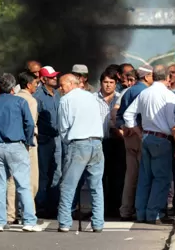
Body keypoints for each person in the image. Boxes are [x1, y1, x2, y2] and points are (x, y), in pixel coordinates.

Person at [0, 73, 43, 232]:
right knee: (23, 184)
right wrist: (28, 141)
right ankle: (29, 220)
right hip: (17, 145)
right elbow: (29, 123)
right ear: (13, 87)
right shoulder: (20, 102)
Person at [122, 65, 175, 223]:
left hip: (146, 137)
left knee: (145, 177)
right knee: (161, 178)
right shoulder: (168, 95)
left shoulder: (144, 93)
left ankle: (141, 213)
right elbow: (173, 123)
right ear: (167, 78)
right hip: (161, 139)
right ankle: (154, 213)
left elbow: (128, 114)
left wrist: (139, 132)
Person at [56, 72, 106, 232]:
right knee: (96, 186)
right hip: (97, 142)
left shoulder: (66, 100)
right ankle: (98, 223)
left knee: (68, 185)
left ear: (71, 84)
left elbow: (63, 127)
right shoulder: (92, 97)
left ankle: (64, 222)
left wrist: (67, 142)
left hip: (78, 143)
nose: (60, 88)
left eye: (62, 85)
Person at [117, 65, 152, 220]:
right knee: (144, 175)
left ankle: (125, 210)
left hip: (129, 137)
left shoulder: (128, 91)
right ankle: (140, 210)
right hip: (141, 135)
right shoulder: (145, 92)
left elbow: (119, 116)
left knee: (130, 175)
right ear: (146, 76)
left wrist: (125, 128)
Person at [6, 71, 40, 224]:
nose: (37, 86)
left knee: (12, 180)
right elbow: (30, 124)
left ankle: (10, 215)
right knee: (31, 181)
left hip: (12, 142)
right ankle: (28, 213)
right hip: (28, 144)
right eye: (35, 83)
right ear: (28, 84)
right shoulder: (31, 101)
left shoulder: (13, 98)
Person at [95, 69, 124, 219]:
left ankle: (114, 208)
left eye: (111, 82)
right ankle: (101, 209)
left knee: (116, 176)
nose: (108, 85)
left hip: (116, 142)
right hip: (99, 142)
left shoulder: (120, 99)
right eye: (105, 82)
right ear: (100, 83)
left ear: (116, 84)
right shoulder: (93, 99)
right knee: (100, 176)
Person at [34, 66, 61, 216]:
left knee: (57, 172)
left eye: (55, 76)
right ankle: (41, 207)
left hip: (57, 139)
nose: (55, 79)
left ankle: (53, 206)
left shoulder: (58, 94)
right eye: (51, 77)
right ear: (43, 79)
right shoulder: (37, 96)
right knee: (43, 175)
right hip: (44, 141)